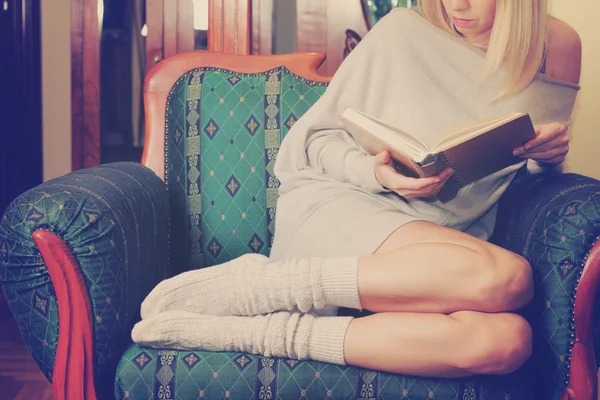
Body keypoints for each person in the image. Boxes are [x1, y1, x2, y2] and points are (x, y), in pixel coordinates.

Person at [132, 0, 582, 378]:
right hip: (345, 204)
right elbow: (311, 140)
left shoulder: (557, 49)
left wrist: (548, 157)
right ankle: (263, 288)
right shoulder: (404, 31)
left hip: (438, 246)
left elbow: (528, 181)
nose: (455, 5)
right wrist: (375, 172)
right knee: (508, 278)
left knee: (505, 342)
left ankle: (263, 332)